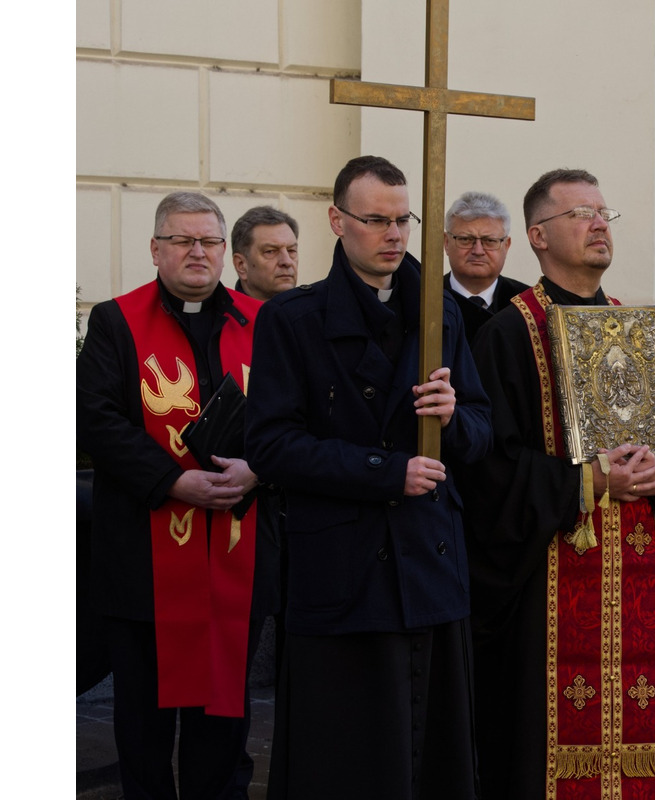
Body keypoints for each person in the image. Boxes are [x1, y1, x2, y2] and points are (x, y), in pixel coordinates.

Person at [244, 155, 492, 800]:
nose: (394, 235)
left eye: (403, 220)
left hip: (428, 561)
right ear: (337, 220)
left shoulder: (442, 314)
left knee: (430, 753)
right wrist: (385, 470)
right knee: (347, 757)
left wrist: (453, 416)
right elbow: (270, 445)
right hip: (343, 568)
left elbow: (481, 432)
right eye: (376, 220)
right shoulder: (291, 320)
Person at [466, 168, 655, 799]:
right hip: (547, 575)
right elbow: (489, 467)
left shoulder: (640, 330)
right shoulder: (507, 333)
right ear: (538, 237)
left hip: (642, 572)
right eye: (580, 213)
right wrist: (588, 480)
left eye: (604, 212)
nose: (600, 223)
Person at [77, 191, 271, 799]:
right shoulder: (115, 320)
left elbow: (292, 419)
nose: (197, 252)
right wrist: (173, 482)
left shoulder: (262, 322)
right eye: (182, 240)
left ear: (225, 251)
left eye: (208, 241)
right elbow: (96, 421)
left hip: (238, 548)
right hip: (142, 558)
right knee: (142, 719)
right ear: (155, 249)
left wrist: (258, 470)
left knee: (225, 714)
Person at [228, 203, 299, 794]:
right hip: (237, 518)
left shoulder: (306, 317)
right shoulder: (226, 321)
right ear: (241, 261)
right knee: (238, 671)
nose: (285, 262)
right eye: (271, 252)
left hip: (302, 517)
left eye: (291, 250)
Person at [442, 190, 529, 343]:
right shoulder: (425, 300)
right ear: (446, 243)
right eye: (465, 239)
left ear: (506, 246)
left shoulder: (527, 305)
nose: (478, 251)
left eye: (489, 241)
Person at [230, 205, 300, 301]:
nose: (287, 261)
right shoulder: (222, 316)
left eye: (291, 250)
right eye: (270, 251)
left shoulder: (316, 314)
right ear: (241, 265)